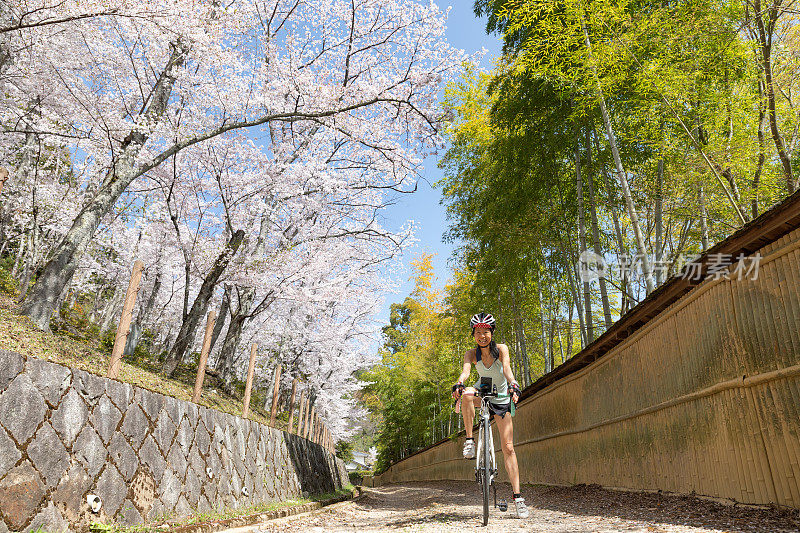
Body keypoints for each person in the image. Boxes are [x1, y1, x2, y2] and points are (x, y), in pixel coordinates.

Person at [451, 312, 529, 519]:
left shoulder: (501, 349)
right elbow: (466, 372)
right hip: (481, 392)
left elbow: (506, 369)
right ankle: (469, 441)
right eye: (478, 332)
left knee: (509, 448)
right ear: (473, 334)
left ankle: (518, 497)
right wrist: (459, 383)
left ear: (492, 333)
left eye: (486, 331)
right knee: (467, 394)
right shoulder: (471, 353)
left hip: (501, 396)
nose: (482, 336)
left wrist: (514, 385)